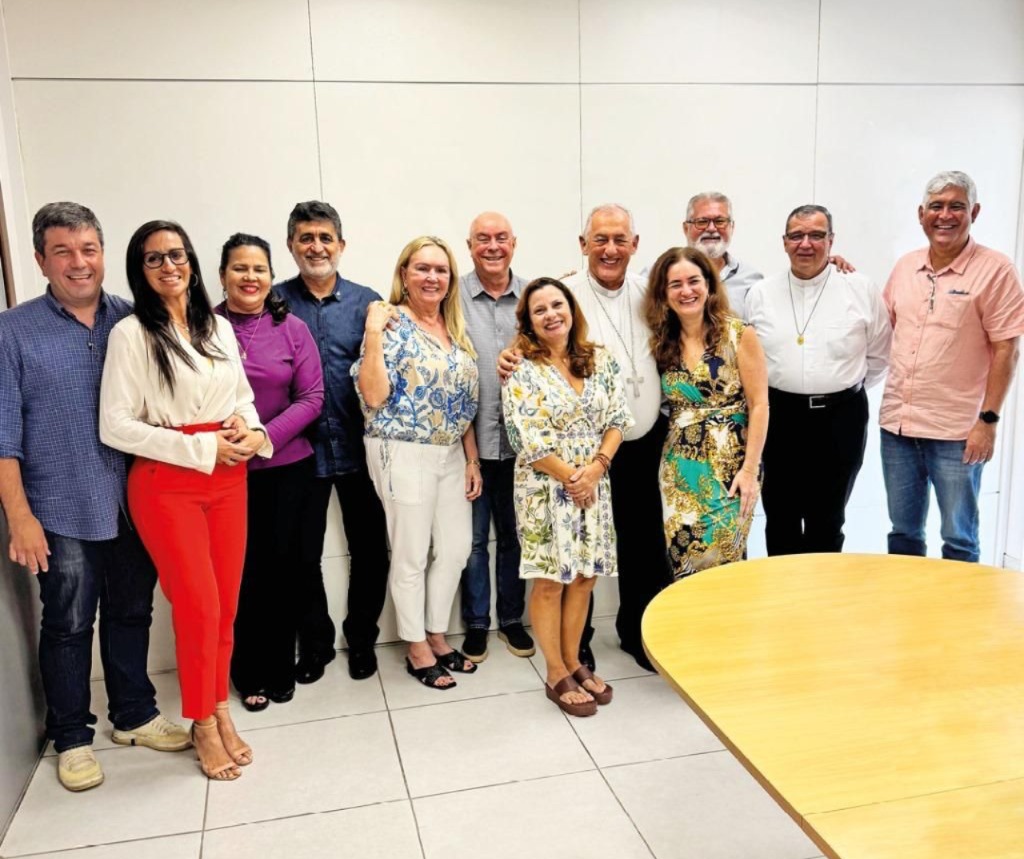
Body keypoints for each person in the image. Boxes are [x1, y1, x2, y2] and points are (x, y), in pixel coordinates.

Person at [0, 203, 189, 792]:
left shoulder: (134, 320)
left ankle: (133, 715)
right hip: (59, 507)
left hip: (136, 501)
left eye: (88, 249)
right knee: (68, 622)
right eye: (62, 251)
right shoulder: (12, 331)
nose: (78, 263)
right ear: (40, 260)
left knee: (133, 611)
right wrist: (20, 517)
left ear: (104, 254)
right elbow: (4, 435)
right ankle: (72, 737)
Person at [100, 220, 271, 781]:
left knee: (226, 605)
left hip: (228, 478)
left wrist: (246, 428)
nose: (168, 266)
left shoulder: (218, 327)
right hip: (166, 482)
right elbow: (116, 425)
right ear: (140, 271)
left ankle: (218, 707)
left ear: (192, 263)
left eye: (176, 255)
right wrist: (201, 446)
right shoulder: (131, 334)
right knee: (197, 606)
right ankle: (200, 721)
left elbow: (240, 395)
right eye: (154, 259)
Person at [353, 236, 481, 690]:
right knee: (409, 553)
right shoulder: (390, 323)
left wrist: (471, 459)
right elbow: (372, 394)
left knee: (455, 549)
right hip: (400, 448)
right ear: (404, 274)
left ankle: (436, 633)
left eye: (441, 270)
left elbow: (463, 401)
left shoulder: (454, 331)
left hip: (450, 452)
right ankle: (416, 646)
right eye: (422, 268)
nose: (432, 277)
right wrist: (371, 332)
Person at [502, 277, 631, 716]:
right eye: (540, 310)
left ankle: (575, 660)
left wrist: (595, 469)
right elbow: (526, 437)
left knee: (585, 575)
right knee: (551, 578)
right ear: (529, 321)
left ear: (571, 309)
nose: (551, 314)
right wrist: (572, 477)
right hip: (545, 487)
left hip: (595, 481)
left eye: (557, 304)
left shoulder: (600, 359)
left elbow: (618, 418)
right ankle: (555, 670)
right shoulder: (521, 367)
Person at [881, 171, 1024, 562]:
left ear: (973, 212)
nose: (945, 215)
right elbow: (880, 326)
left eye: (956, 206)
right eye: (936, 207)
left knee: (958, 538)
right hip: (898, 426)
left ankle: (960, 621)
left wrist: (988, 421)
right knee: (903, 532)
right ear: (921, 214)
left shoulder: (996, 270)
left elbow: (1007, 350)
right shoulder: (905, 267)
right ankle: (909, 612)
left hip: (958, 433)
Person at [275, 201, 391, 682]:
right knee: (302, 556)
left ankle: (362, 640)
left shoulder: (368, 301)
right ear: (291, 246)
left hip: (363, 448)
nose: (316, 247)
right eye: (306, 238)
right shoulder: (273, 301)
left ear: (341, 245)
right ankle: (316, 645)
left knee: (371, 551)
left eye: (325, 238)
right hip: (297, 452)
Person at [215, 234, 324, 711]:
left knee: (283, 572)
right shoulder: (201, 327)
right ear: (222, 275)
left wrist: (265, 436)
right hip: (221, 471)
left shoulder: (292, 328)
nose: (250, 277)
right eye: (239, 268)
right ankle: (245, 669)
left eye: (259, 269)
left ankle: (280, 666)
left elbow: (313, 397)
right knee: (238, 575)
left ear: (270, 275)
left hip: (285, 468)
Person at [745, 205, 890, 556]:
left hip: (842, 418)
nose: (805, 244)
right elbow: (750, 361)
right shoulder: (761, 293)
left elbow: (879, 354)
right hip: (780, 416)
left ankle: (820, 606)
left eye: (816, 235)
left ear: (831, 240)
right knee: (780, 518)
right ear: (784, 243)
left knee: (828, 519)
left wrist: (837, 389)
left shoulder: (859, 288)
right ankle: (783, 605)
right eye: (796, 235)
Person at [645, 248, 768, 576]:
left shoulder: (740, 335)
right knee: (684, 561)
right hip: (679, 472)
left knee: (726, 563)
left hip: (731, 470)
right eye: (675, 285)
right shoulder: (661, 342)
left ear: (709, 285)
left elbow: (759, 406)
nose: (686, 291)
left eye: (693, 281)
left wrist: (750, 471)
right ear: (663, 293)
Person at [457, 211, 534, 663]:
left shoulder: (534, 297)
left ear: (514, 243)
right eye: (482, 239)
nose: (492, 246)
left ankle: (510, 620)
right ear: (469, 246)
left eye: (501, 237)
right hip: (470, 446)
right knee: (472, 542)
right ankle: (477, 625)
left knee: (515, 538)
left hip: (524, 449)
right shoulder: (453, 298)